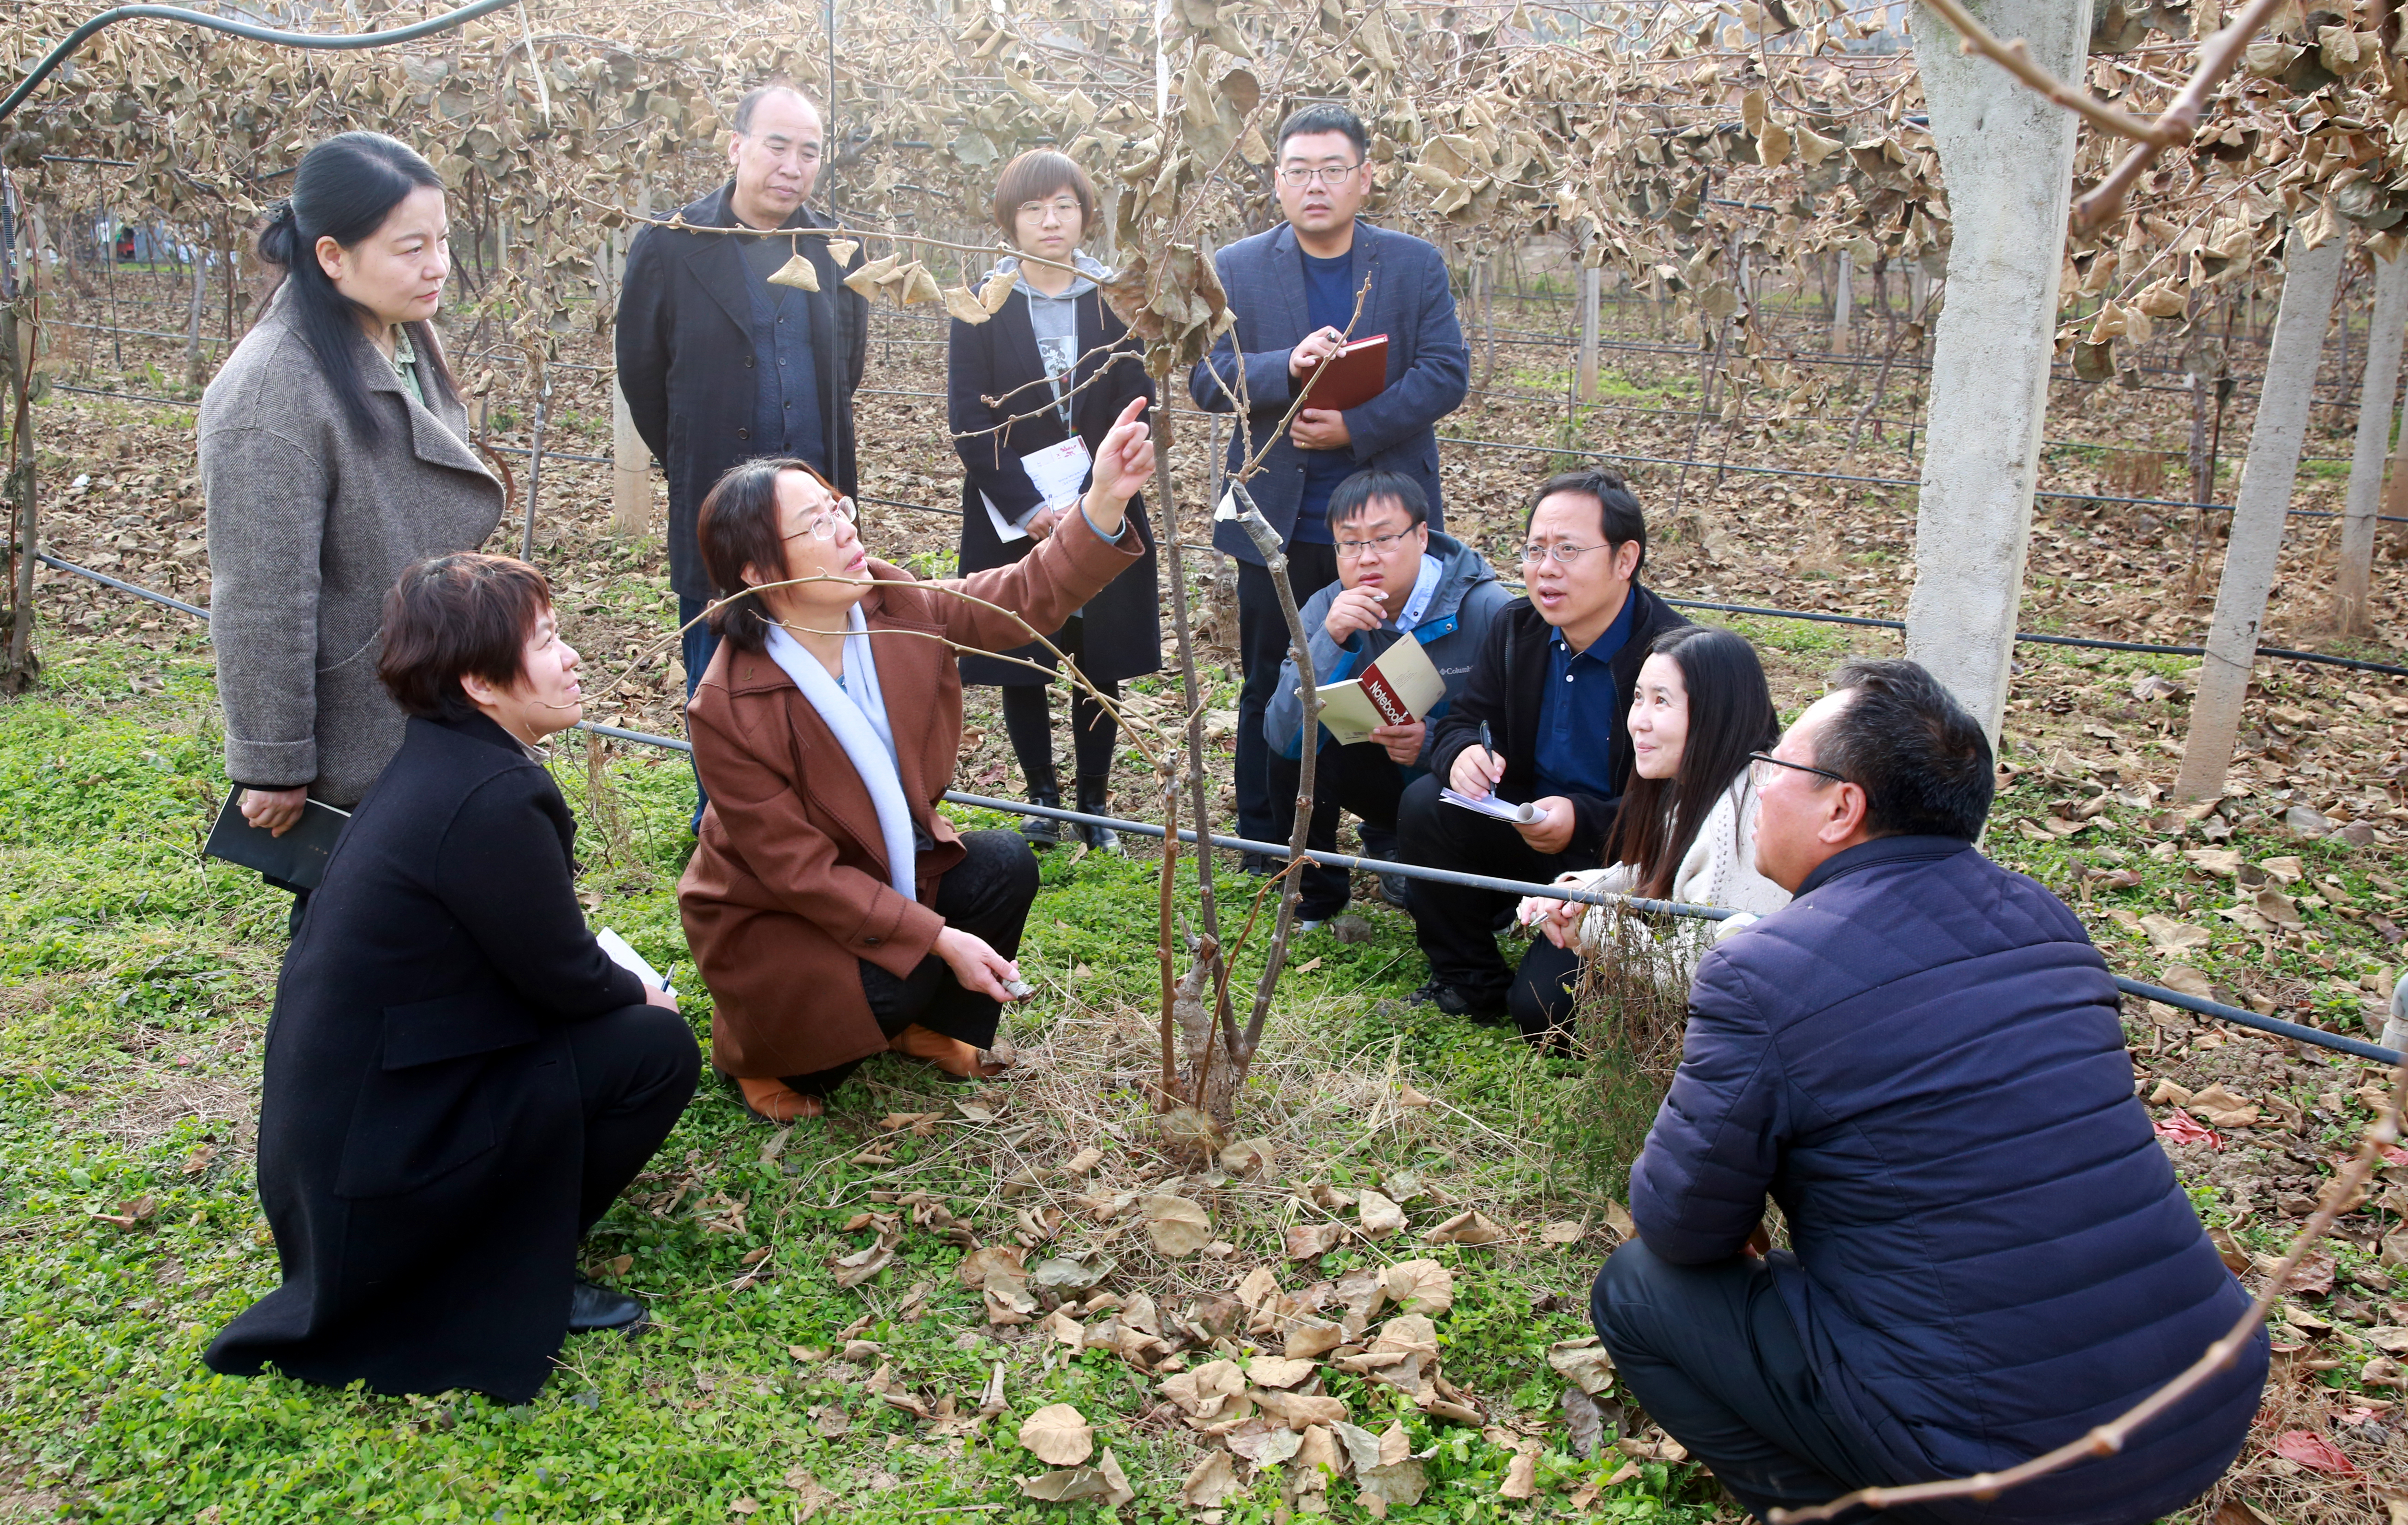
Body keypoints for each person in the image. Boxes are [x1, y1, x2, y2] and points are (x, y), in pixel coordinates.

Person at [1592, 658, 2267, 1525]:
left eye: (1776, 769)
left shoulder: (1767, 970)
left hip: (2010, 1462)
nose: (1756, 790)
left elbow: (1682, 1225)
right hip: (2202, 1399)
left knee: (1639, 1289)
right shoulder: (2045, 919)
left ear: (1843, 807)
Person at [204, 554, 701, 1404]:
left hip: (351, 1130)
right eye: (548, 641)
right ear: (479, 681)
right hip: (384, 1149)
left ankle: (501, 1237)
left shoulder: (441, 761)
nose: (572, 656)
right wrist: (640, 993)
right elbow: (566, 979)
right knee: (655, 1045)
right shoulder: (490, 797)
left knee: (623, 1027)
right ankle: (505, 1267)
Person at [680, 398, 1155, 1125]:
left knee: (1003, 867)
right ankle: (761, 1051)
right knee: (895, 977)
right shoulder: (729, 705)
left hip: (883, 873)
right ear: (755, 570)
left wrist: (1104, 499)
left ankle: (922, 1026)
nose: (847, 531)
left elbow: (1022, 597)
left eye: (840, 509)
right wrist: (935, 936)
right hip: (778, 915)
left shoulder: (894, 603)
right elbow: (798, 872)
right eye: (817, 525)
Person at [201, 131, 503, 929]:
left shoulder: (400, 332)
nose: (439, 265)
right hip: (364, 733)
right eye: (412, 247)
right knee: (355, 937)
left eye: (443, 240)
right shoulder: (271, 391)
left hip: (430, 698)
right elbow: (262, 593)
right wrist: (273, 762)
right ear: (333, 255)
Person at [1188, 103, 1468, 864]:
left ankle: (1389, 830)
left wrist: (1356, 425)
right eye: (1299, 171)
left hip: (1385, 519)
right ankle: (1265, 840)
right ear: (1277, 182)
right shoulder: (1237, 268)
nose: (1316, 186)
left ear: (1364, 178)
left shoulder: (1412, 266)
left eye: (1333, 170)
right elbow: (1204, 377)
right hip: (1269, 511)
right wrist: (1286, 371)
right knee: (1267, 679)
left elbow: (1448, 373)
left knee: (1396, 673)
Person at [616, 83, 869, 827]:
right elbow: (642, 374)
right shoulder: (672, 244)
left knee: (827, 661)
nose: (792, 166)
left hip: (819, 508)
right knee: (723, 668)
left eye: (809, 151)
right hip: (720, 507)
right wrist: (695, 465)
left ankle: (821, 826)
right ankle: (725, 830)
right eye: (776, 145)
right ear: (736, 146)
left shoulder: (834, 248)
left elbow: (847, 364)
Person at [1396, 470, 1689, 1019]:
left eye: (1569, 550)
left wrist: (1583, 820)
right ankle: (1466, 981)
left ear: (1625, 560)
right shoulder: (1517, 628)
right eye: (1536, 550)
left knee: (1546, 1014)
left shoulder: (1676, 658)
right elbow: (1465, 721)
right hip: (1526, 824)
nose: (1546, 568)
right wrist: (1462, 753)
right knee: (1427, 804)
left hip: (1624, 857)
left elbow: (1690, 809)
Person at [949, 149, 1160, 852]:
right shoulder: (986, 303)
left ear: (1084, 215)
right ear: (1010, 221)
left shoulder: (1115, 300)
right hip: (1014, 510)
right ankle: (1043, 797)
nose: (1050, 221)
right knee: (1023, 646)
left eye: (1064, 206)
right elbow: (968, 421)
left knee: (1096, 652)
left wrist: (1102, 496)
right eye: (1034, 209)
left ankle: (1095, 807)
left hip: (1103, 504)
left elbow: (1140, 405)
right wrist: (1031, 508)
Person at [1513, 625, 1789, 1041]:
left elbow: (1707, 972)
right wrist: (1578, 892)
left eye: (1662, 701)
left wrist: (1598, 929)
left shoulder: (1749, 810)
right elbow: (1660, 865)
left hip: (1750, 1026)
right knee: (1540, 1000)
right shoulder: (1701, 778)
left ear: (1715, 711)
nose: (1638, 721)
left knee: (1548, 1008)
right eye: (1639, 697)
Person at [1261, 468, 1508, 927]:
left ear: (1421, 536)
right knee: (1298, 744)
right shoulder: (1326, 607)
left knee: (1477, 911)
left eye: (1384, 539)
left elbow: (1521, 734)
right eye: (1350, 543)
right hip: (1383, 776)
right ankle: (1315, 898)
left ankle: (1462, 882)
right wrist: (1331, 639)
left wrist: (1434, 742)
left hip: (1468, 791)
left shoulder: (1486, 609)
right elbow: (1281, 735)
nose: (1366, 557)